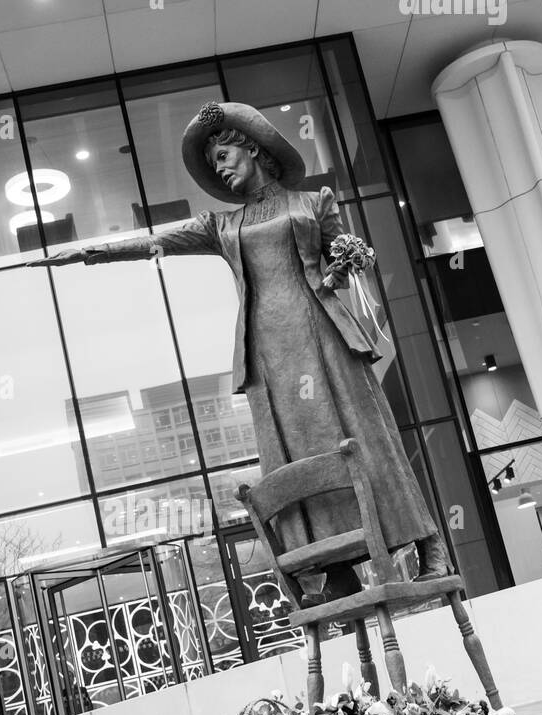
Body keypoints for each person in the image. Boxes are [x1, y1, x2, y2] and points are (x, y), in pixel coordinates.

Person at [34, 101, 449, 596]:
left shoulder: (313, 202)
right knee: (290, 456)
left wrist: (340, 270)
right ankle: (335, 567)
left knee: (366, 433)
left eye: (226, 155)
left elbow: (345, 261)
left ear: (254, 149)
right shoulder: (221, 226)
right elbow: (154, 240)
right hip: (268, 355)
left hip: (325, 338)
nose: (222, 168)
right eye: (215, 164)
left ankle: (429, 545)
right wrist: (90, 252)